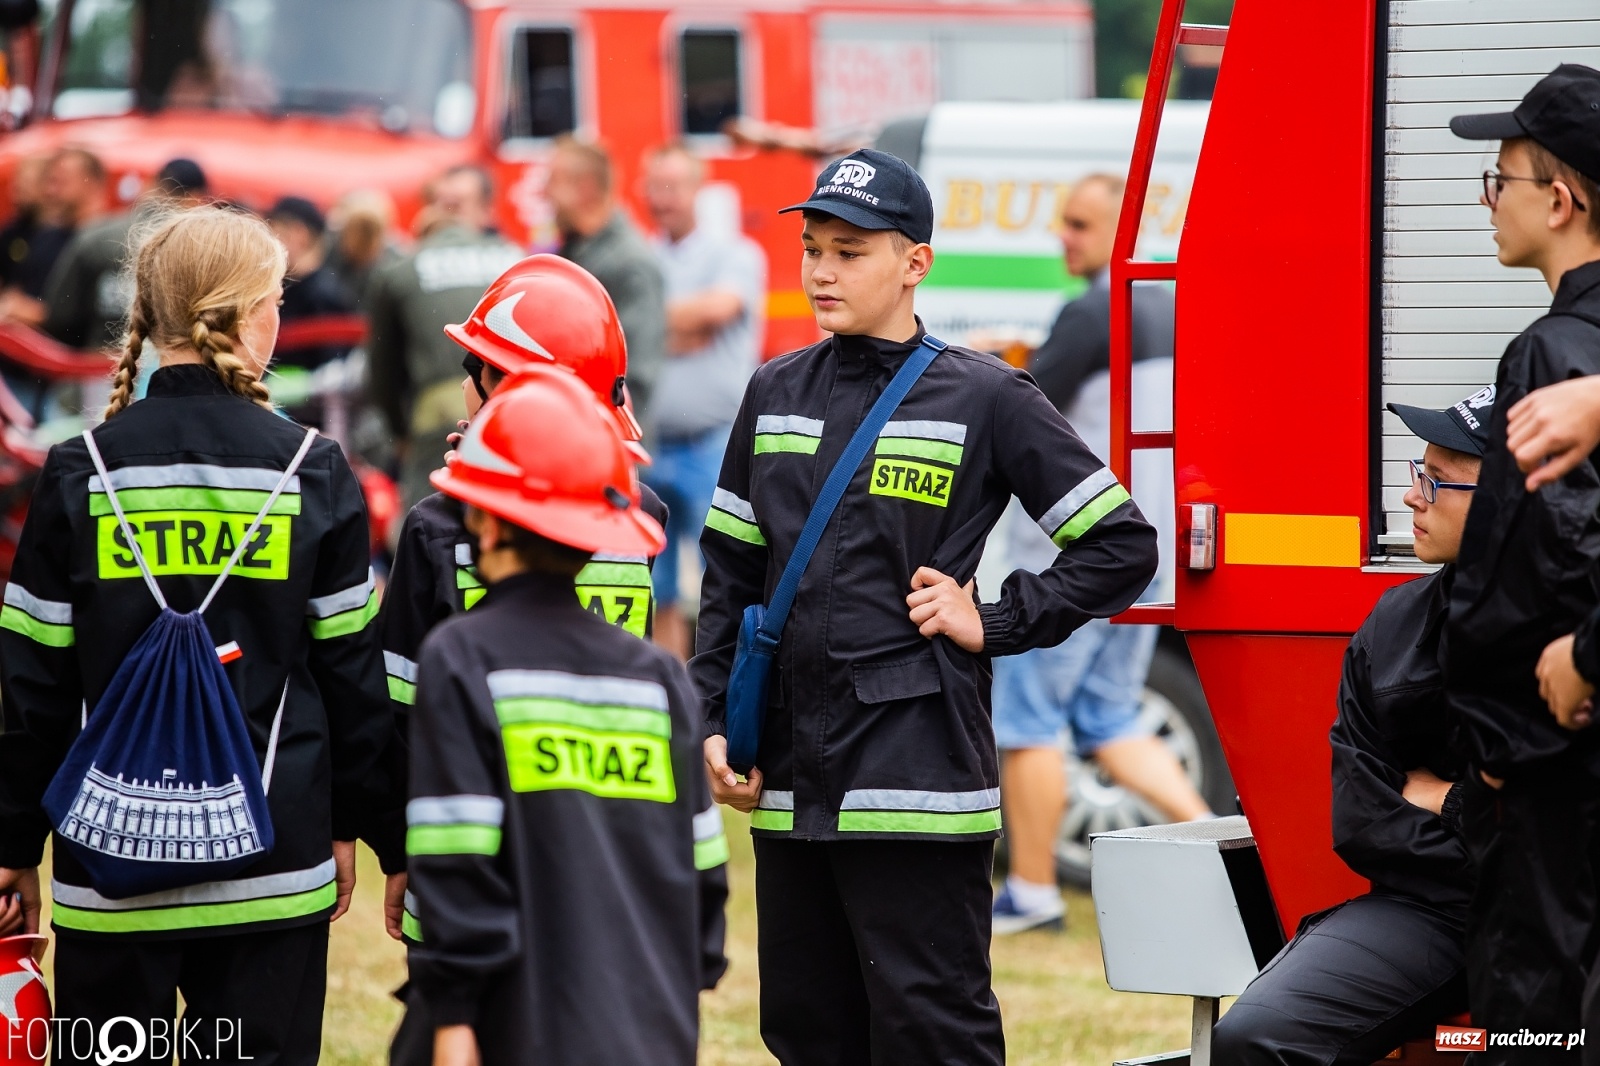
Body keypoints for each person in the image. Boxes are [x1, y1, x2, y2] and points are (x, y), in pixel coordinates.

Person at [694, 149, 1158, 1065]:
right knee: (806, 1033)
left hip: (919, 783)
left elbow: (1121, 546)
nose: (822, 270)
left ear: (916, 263)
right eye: (813, 248)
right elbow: (730, 578)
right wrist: (714, 719)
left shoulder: (986, 393)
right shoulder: (772, 390)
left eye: (851, 251)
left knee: (931, 1036)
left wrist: (999, 617)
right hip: (790, 787)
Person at [0, 206, 402, 1062]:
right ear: (250, 312)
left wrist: (10, 844)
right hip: (273, 860)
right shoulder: (311, 468)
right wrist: (375, 832)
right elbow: (351, 676)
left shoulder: (80, 469)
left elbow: (30, 684)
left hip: (108, 870)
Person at [397, 369, 727, 1066]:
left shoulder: (462, 657)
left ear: (482, 517)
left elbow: (455, 859)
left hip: (508, 1024)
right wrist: (682, 979)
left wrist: (453, 1017)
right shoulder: (661, 676)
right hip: (649, 1023)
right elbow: (702, 864)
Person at [1212, 391, 1488, 1064]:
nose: (1410, 498)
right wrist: (1488, 822)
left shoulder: (1578, 640)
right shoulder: (1394, 628)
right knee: (1253, 1038)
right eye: (1415, 473)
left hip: (1572, 915)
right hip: (1437, 909)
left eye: (1435, 480)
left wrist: (1449, 799)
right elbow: (1365, 818)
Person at [991, 172, 1208, 935]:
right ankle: (1222, 847)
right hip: (1142, 552)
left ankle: (1031, 890)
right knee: (1112, 718)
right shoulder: (1169, 304)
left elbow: (1016, 411)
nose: (1065, 237)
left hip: (1069, 554)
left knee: (1028, 722)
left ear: (1120, 228)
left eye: (1080, 224)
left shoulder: (1093, 311)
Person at [1441, 64, 1600, 1054]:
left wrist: (1505, 741)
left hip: (1559, 781)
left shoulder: (1553, 356)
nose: (1486, 201)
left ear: (1561, 198)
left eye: (1498, 178)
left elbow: (1560, 555)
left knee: (1537, 1031)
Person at [380, 254, 673, 783]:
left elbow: (401, 696)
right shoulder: (641, 513)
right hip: (604, 795)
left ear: (502, 385)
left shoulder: (436, 525)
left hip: (479, 794)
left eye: (473, 366)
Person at [640, 142, 765, 658]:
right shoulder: (642, 259)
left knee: (726, 580)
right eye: (655, 187)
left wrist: (648, 326)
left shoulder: (735, 254)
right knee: (654, 589)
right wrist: (680, 327)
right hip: (648, 444)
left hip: (716, 444)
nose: (663, 198)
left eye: (674, 186)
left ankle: (722, 701)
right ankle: (673, 705)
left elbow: (717, 312)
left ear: (698, 189)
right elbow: (643, 327)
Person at [365, 165, 522, 509]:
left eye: (457, 203)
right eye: (443, 201)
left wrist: (400, 433)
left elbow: (381, 372)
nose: (447, 209)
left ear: (486, 209)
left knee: (428, 524)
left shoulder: (399, 272)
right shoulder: (518, 261)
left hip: (437, 419)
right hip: (518, 417)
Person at [546, 135, 666, 420]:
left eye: (553, 181)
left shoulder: (631, 264)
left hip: (612, 448)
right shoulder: (575, 253)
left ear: (584, 188)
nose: (545, 193)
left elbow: (636, 379)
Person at [39, 157, 209, 354]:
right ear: (196, 199)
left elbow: (60, 315)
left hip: (97, 369)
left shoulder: (95, 234)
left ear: (152, 185)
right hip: (168, 369)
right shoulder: (201, 248)